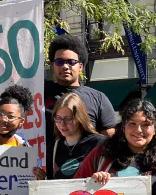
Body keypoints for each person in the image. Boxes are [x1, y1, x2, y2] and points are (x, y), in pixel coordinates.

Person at [44, 34, 119, 176]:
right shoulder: (39, 92)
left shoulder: (98, 98)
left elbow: (110, 140)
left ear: (80, 66)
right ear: (52, 65)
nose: (65, 66)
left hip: (90, 176)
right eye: (59, 62)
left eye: (71, 62)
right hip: (51, 175)